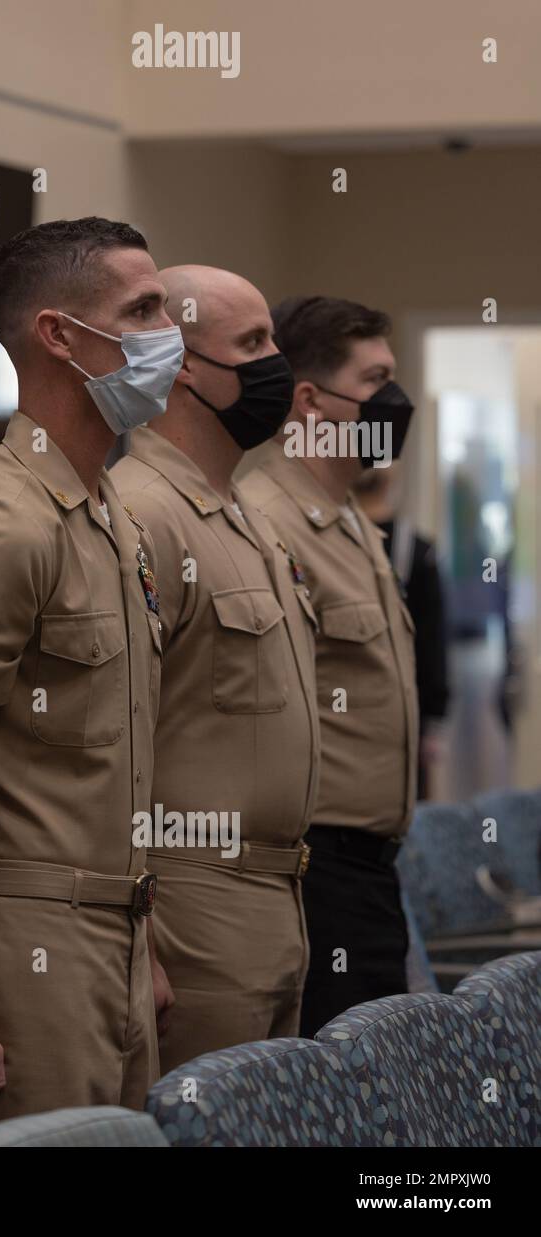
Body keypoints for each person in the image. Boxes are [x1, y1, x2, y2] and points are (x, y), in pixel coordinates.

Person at [0, 218, 175, 1135]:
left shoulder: (107, 511)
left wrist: (139, 939)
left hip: (112, 935)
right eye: (144, 310)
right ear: (60, 336)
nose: (171, 334)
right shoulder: (5, 521)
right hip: (21, 946)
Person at [110, 265, 319, 1072]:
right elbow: (117, 743)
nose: (278, 367)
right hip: (193, 903)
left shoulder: (243, 513)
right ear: (185, 367)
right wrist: (144, 940)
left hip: (278, 895)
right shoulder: (142, 511)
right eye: (254, 344)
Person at [241, 295, 419, 1036]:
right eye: (375, 381)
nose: (395, 401)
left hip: (373, 866)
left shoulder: (349, 516)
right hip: (321, 865)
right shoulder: (266, 518)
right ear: (309, 399)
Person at [352, 464, 451, 799]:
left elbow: (432, 641)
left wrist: (432, 720)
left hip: (396, 718)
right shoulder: (327, 538)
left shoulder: (417, 553)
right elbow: (433, 642)